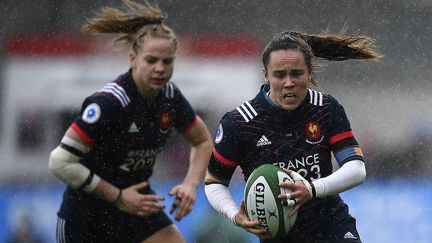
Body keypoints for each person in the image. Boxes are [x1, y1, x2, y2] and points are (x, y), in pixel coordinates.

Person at [48, 1, 213, 242]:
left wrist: (190, 184)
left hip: (138, 206)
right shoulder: (109, 104)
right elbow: (59, 162)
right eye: (151, 60)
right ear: (133, 58)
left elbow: (202, 140)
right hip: (87, 217)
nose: (160, 68)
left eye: (167, 62)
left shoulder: (170, 97)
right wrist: (117, 196)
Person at [204, 30, 382, 243]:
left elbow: (356, 168)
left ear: (309, 73)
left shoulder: (325, 108)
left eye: (296, 74)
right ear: (266, 75)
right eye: (279, 75)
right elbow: (214, 182)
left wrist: (312, 189)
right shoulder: (240, 122)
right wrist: (234, 215)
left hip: (331, 226)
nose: (289, 83)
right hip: (279, 235)